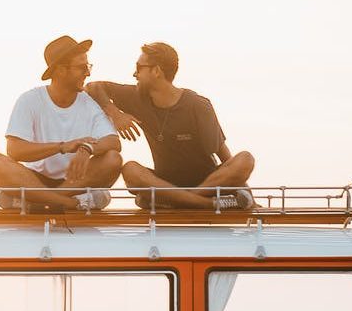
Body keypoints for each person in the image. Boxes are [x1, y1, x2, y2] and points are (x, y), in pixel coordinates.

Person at [86, 42, 255, 210]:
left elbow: (223, 153)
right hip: (165, 183)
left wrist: (246, 190)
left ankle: (179, 201)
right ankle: (205, 204)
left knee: (245, 159)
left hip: (206, 184)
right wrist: (116, 114)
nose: (134, 74)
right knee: (130, 169)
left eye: (139, 67)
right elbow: (94, 87)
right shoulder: (136, 97)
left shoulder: (198, 105)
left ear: (156, 71)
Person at [0, 35, 123, 212]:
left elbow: (113, 142)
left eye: (88, 67)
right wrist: (62, 147)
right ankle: (67, 202)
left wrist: (87, 148)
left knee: (113, 159)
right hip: (34, 180)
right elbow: (15, 150)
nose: (87, 73)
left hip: (75, 181)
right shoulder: (30, 100)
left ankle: (40, 201)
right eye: (82, 67)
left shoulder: (90, 103)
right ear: (60, 70)